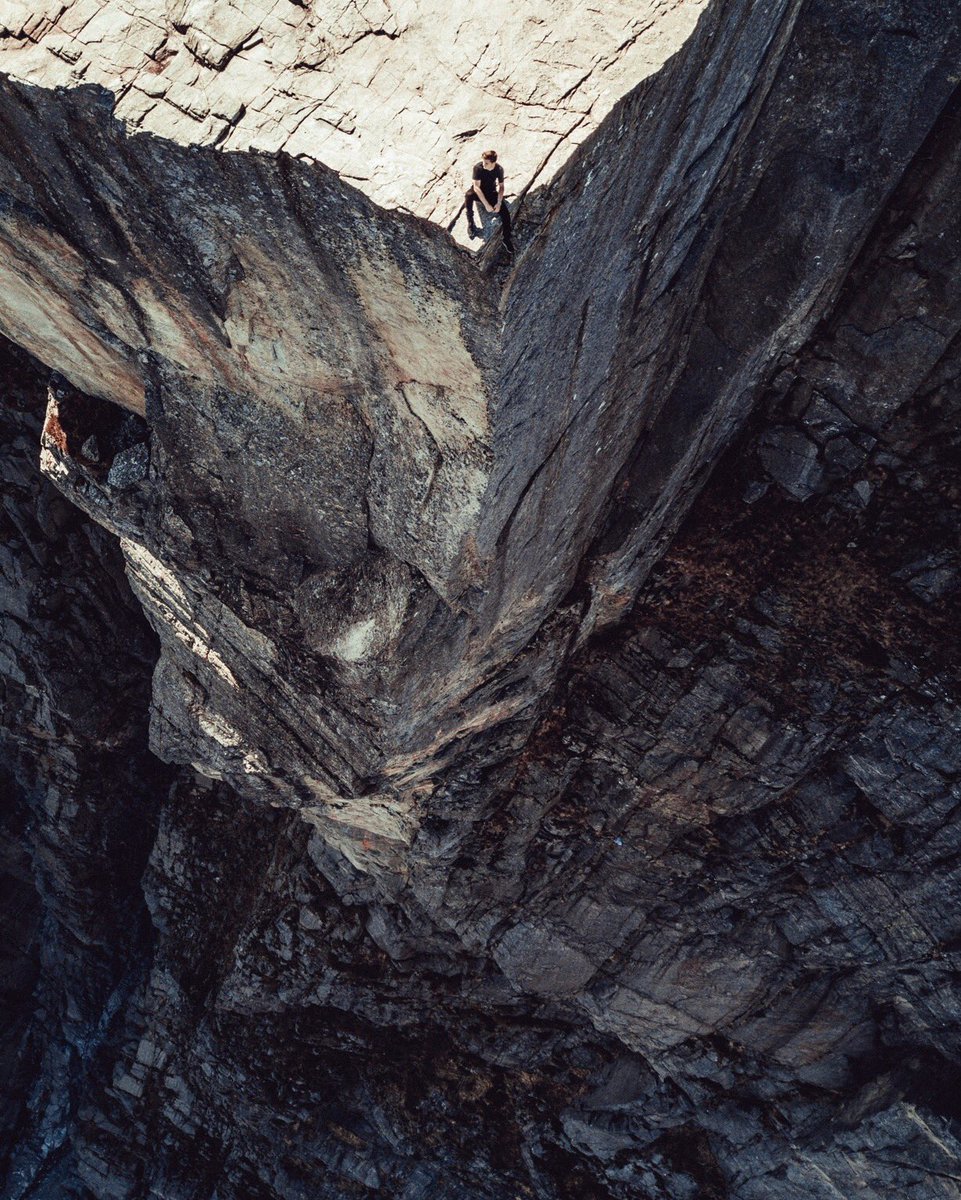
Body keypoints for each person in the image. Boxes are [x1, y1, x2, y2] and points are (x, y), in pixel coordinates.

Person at [465, 149, 514, 254]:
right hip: (478, 192)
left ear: (493, 163)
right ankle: (470, 222)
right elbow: (476, 187)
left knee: (505, 214)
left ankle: (506, 238)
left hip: (491, 192)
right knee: (468, 195)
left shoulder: (499, 169)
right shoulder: (478, 168)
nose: (483, 164)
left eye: (486, 163)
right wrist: (486, 205)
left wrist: (499, 202)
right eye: (483, 161)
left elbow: (501, 187)